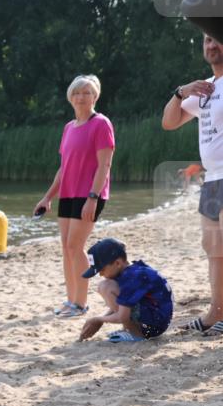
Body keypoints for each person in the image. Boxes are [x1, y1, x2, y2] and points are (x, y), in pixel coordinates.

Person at [35, 75, 115, 318]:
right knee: (66, 247)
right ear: (70, 97)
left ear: (95, 97)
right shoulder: (69, 127)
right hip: (68, 193)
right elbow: (64, 168)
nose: (81, 97)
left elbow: (104, 165)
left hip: (89, 194)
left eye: (87, 92)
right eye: (77, 93)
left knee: (75, 246)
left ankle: (80, 304)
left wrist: (93, 197)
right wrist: (47, 197)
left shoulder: (101, 124)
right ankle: (71, 301)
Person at [162, 32, 223, 337]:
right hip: (212, 180)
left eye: (218, 39)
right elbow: (169, 122)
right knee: (214, 249)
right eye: (207, 40)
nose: (212, 45)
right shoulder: (205, 88)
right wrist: (180, 92)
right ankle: (216, 313)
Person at [78, 238, 173, 343]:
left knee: (106, 286)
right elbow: (123, 302)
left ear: (118, 263)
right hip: (157, 321)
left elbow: (122, 317)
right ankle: (130, 329)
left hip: (153, 326)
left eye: (102, 269)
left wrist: (98, 319)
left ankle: (135, 333)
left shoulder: (132, 277)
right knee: (106, 285)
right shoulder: (131, 271)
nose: (100, 274)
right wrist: (101, 318)